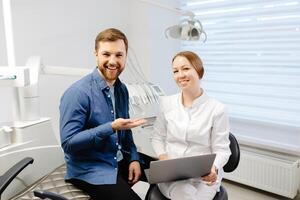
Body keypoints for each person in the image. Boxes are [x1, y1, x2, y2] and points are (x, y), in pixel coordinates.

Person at [59, 28, 146, 200]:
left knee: (167, 174)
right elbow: (68, 143)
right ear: (96, 54)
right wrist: (111, 127)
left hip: (119, 158)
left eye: (119, 55)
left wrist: (134, 158)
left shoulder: (122, 89)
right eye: (106, 54)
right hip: (92, 169)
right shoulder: (78, 93)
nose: (112, 61)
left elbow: (126, 131)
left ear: (125, 56)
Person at [151, 51, 231, 200]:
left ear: (198, 70)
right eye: (175, 71)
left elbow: (222, 149)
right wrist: (164, 158)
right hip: (172, 176)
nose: (180, 75)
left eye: (186, 68)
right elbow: (157, 137)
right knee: (185, 194)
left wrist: (213, 168)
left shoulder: (217, 109)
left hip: (205, 177)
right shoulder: (166, 103)